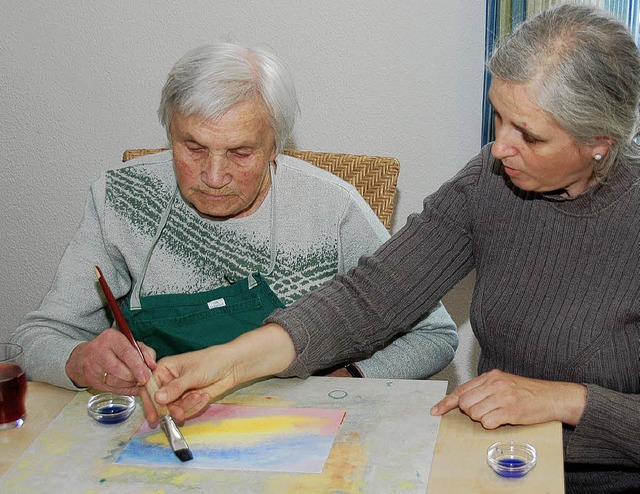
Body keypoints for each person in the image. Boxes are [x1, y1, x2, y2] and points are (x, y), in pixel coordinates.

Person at [147, 6, 640, 493]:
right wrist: (225, 362)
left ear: (599, 141)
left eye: (528, 134)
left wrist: (569, 402)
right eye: (499, 117)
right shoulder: (489, 182)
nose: (498, 147)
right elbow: (372, 296)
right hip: (495, 465)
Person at [9, 42, 457, 395]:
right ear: (169, 133)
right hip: (158, 431)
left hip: (293, 433)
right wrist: (79, 359)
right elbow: (35, 336)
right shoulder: (123, 198)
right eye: (194, 148)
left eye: (241, 152)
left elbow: (434, 334)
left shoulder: (332, 209)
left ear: (276, 143)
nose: (214, 176)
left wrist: (349, 379)